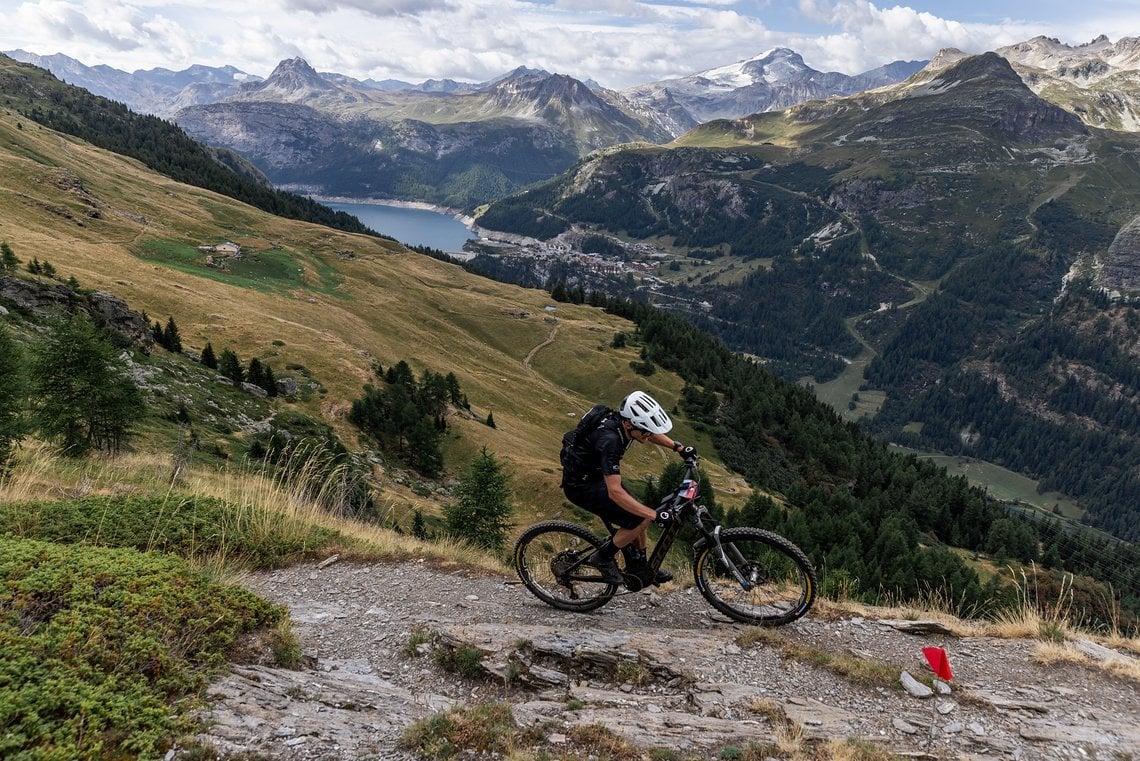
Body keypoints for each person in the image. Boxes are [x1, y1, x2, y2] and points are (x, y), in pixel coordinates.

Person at [560, 390, 696, 586]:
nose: (648, 436)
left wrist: (678, 448)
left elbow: (650, 433)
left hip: (595, 476)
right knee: (642, 517)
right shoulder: (611, 441)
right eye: (645, 431)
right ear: (628, 424)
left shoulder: (623, 422)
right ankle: (603, 557)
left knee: (639, 513)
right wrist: (655, 515)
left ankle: (640, 568)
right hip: (581, 486)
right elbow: (615, 492)